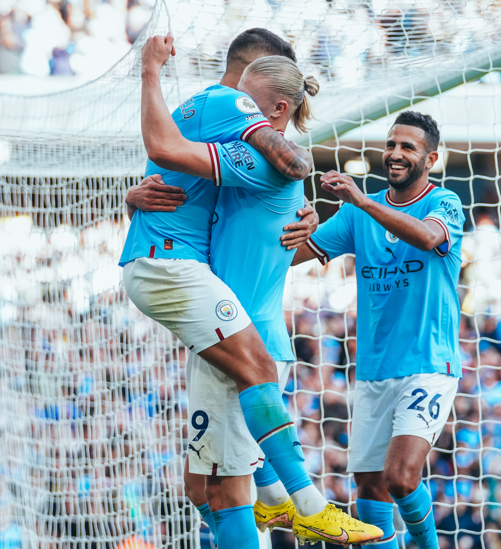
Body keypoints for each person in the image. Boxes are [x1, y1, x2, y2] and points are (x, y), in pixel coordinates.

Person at [125, 33, 382, 546]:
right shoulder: (234, 115)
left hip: (225, 315)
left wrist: (133, 194)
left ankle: (274, 498)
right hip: (210, 303)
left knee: (206, 488)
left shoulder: (230, 136)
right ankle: (303, 502)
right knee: (228, 484)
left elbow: (284, 170)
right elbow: (282, 164)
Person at [290, 111, 465, 549]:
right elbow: (292, 257)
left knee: (402, 478)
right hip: (372, 372)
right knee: (370, 487)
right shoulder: (355, 219)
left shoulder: (445, 204)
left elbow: (427, 238)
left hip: (427, 364)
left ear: (431, 158)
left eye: (407, 146)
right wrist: (299, 226)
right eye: (391, 144)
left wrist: (365, 202)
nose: (395, 153)